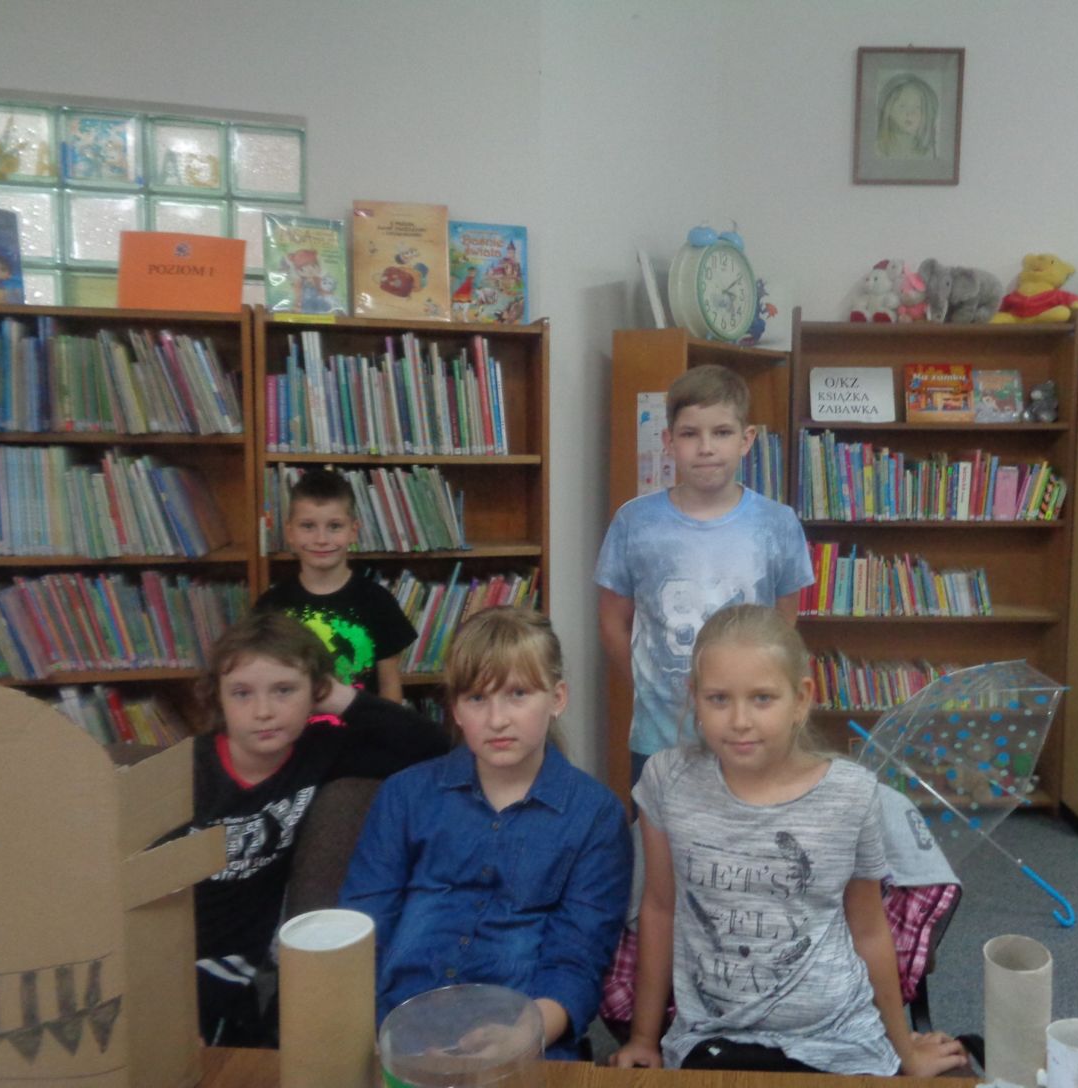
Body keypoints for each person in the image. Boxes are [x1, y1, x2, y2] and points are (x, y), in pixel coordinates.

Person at [611, 605, 969, 1076]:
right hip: (714, 1036)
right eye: (718, 699)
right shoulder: (666, 781)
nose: (739, 720)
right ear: (693, 697)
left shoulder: (852, 794)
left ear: (800, 699)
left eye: (762, 698)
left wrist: (903, 1051)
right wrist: (643, 1037)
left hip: (839, 1035)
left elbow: (868, 928)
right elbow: (659, 909)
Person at [340, 607, 632, 1060]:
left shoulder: (596, 816)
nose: (497, 719)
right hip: (393, 1028)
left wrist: (524, 1036)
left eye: (518, 694)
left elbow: (578, 958)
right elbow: (363, 931)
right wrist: (383, 1036)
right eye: (477, 698)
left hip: (526, 1033)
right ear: (456, 709)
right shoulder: (404, 796)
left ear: (557, 698)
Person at [185, 611, 448, 1047]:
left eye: (284, 690)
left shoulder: (320, 752)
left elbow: (431, 746)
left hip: (249, 961)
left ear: (316, 691)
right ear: (218, 698)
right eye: (242, 693)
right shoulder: (189, 770)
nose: (263, 711)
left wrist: (341, 697)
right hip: (180, 952)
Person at [596, 365, 813, 786]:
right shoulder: (634, 522)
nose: (706, 447)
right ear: (668, 441)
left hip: (749, 734)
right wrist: (648, 686)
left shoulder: (778, 524)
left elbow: (784, 622)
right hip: (661, 737)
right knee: (658, 827)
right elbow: (612, 622)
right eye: (690, 434)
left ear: (747, 439)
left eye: (722, 432)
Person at [254, 469, 414, 701]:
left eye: (335, 526)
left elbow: (389, 684)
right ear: (290, 533)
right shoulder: (270, 606)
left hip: (360, 724)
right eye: (308, 526)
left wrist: (388, 725)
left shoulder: (378, 602)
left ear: (353, 531)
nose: (321, 539)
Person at [875, 73, 938, 159]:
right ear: (887, 109)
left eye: (918, 107)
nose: (910, 113)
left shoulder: (927, 153)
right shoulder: (877, 149)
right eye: (902, 106)